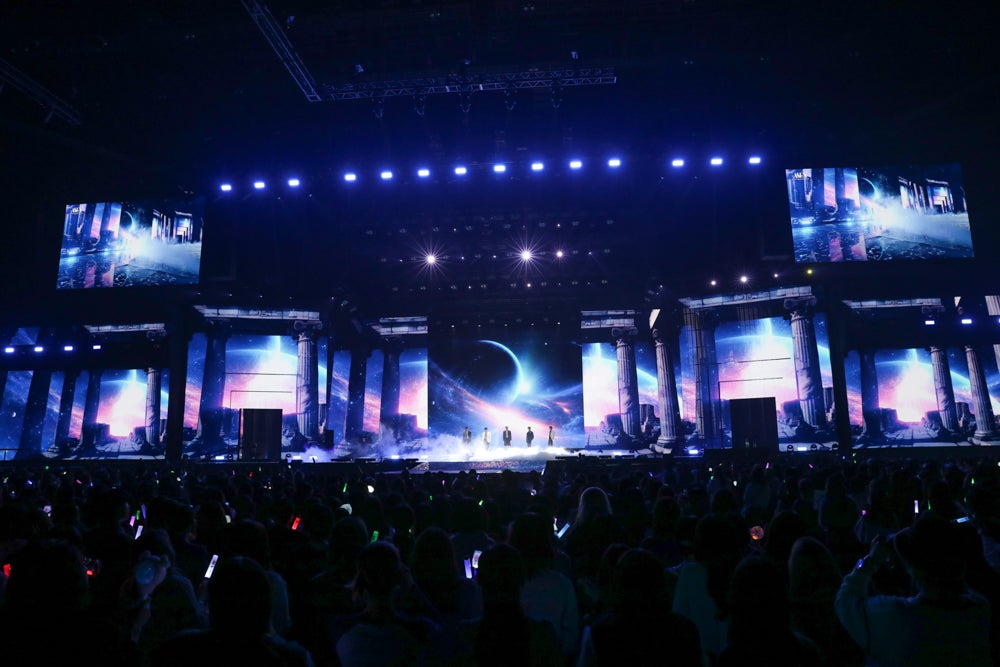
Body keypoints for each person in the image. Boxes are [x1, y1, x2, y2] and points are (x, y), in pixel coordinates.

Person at [835, 512, 992, 666]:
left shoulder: (894, 615)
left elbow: (845, 602)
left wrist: (871, 560)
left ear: (914, 570)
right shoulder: (980, 609)